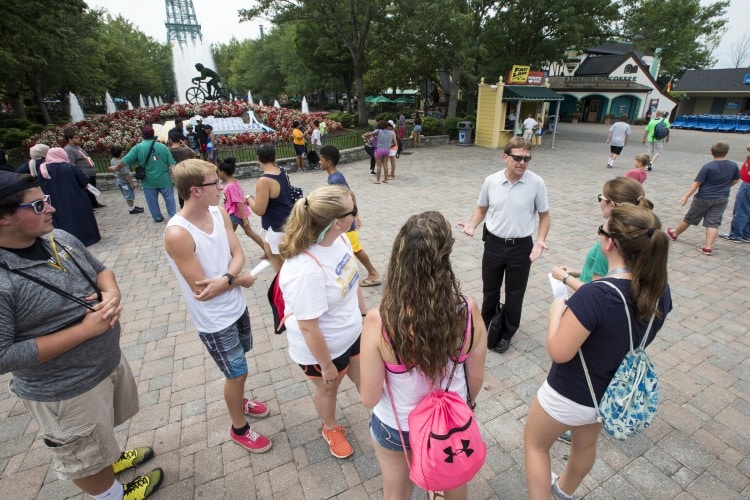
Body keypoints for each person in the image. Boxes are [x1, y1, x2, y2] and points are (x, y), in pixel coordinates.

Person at [0, 171, 164, 500]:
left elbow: (102, 270)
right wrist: (85, 330)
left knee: (97, 437)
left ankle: (111, 461)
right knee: (83, 459)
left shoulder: (58, 238)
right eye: (37, 206)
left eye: (45, 200)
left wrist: (111, 295)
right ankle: (111, 494)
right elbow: (3, 356)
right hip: (66, 389)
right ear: (3, 218)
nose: (50, 209)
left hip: (103, 367)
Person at [524, 204, 672, 500]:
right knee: (584, 445)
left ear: (609, 242)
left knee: (536, 445)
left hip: (571, 391)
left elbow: (559, 351)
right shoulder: (659, 290)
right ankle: (564, 491)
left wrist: (556, 311)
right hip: (608, 394)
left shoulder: (597, 295)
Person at [360, 211, 488, 499]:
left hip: (397, 427)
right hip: (449, 426)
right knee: (454, 485)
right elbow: (475, 379)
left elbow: (369, 396)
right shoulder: (468, 310)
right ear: (446, 257)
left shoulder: (379, 320)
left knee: (396, 492)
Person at [164, 159, 272, 454]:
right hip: (214, 319)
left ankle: (239, 399)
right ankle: (239, 428)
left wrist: (228, 279)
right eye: (215, 183)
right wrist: (239, 279)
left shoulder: (219, 212)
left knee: (241, 365)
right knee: (235, 372)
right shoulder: (178, 233)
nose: (222, 188)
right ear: (195, 190)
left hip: (236, 306)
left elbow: (237, 253)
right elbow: (203, 289)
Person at [278, 185, 366, 459]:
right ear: (337, 221)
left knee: (365, 377)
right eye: (354, 211)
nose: (358, 215)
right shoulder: (305, 271)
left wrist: (363, 315)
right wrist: (326, 365)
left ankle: (387, 416)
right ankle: (329, 427)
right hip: (323, 350)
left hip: (351, 332)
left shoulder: (339, 240)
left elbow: (353, 279)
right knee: (329, 390)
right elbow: (308, 326)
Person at [459, 137, 550, 354]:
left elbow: (545, 216)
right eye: (517, 157)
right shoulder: (491, 181)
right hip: (493, 243)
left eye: (527, 158)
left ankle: (507, 332)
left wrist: (540, 239)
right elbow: (482, 208)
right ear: (505, 157)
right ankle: (487, 325)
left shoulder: (536, 182)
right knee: (490, 289)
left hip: (521, 247)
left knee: (514, 293)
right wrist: (472, 224)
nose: (522, 162)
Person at [552, 177, 654, 293]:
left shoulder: (609, 245)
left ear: (612, 205)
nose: (600, 202)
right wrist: (577, 272)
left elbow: (596, 293)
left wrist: (564, 277)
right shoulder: (638, 235)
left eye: (601, 198)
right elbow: (614, 273)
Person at [319, 145, 380, 286]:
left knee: (356, 249)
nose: (319, 162)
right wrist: (356, 213)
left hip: (346, 222)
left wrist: (352, 215)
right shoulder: (337, 175)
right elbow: (351, 194)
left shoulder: (333, 179)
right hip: (346, 220)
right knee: (347, 248)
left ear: (329, 162)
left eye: (321, 160)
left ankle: (373, 273)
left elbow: (346, 197)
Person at [666, 141, 740, 256]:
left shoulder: (708, 167)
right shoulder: (733, 165)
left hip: (704, 197)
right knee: (713, 223)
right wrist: (726, 186)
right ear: (726, 152)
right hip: (722, 198)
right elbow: (735, 180)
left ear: (711, 152)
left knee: (690, 218)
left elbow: (697, 183)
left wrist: (686, 196)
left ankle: (675, 233)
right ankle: (708, 247)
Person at [37, 148, 101, 246]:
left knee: (63, 220)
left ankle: (68, 241)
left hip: (56, 200)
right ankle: (88, 239)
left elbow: (41, 185)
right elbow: (84, 180)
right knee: (80, 218)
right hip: (75, 198)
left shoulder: (43, 169)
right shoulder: (69, 167)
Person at [246, 144, 294, 273]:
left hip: (277, 226)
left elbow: (259, 210)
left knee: (282, 268)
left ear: (258, 158)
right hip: (287, 220)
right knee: (268, 248)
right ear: (274, 157)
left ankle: (283, 290)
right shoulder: (281, 171)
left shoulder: (264, 181)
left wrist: (249, 199)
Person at [118, 126, 177, 223]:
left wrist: (116, 167)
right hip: (164, 179)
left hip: (148, 181)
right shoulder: (163, 147)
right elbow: (172, 163)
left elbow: (125, 161)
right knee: (170, 199)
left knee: (152, 201)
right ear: (153, 134)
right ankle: (173, 216)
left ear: (143, 135)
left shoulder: (138, 147)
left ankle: (157, 217)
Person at [217, 157, 266, 257]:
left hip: (235, 214)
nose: (218, 173)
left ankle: (230, 255)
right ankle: (267, 251)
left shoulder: (230, 185)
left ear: (223, 172)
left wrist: (244, 219)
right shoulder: (235, 181)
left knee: (227, 234)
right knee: (249, 233)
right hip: (238, 213)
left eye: (219, 171)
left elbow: (238, 202)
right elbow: (240, 197)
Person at [64, 129, 106, 209]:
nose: (78, 139)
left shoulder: (78, 147)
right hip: (84, 173)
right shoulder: (68, 149)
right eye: (76, 137)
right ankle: (89, 207)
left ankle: (94, 203)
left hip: (90, 173)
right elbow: (71, 163)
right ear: (70, 139)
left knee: (92, 190)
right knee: (87, 191)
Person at [720, 143, 750, 242]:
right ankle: (746, 233)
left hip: (748, 184)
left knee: (741, 209)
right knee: (747, 209)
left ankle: (735, 234)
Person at [108, 146, 144, 214]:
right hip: (124, 181)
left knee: (127, 194)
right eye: (122, 151)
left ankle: (133, 206)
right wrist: (131, 183)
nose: (123, 152)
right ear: (120, 153)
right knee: (129, 195)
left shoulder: (113, 160)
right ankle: (132, 209)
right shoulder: (121, 163)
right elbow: (126, 174)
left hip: (119, 180)